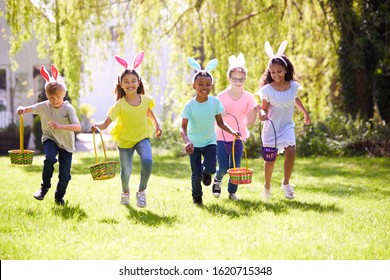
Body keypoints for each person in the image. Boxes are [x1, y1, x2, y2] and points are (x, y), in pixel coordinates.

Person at [91, 51, 162, 208]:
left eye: (133, 81)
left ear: (138, 82)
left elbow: (149, 112)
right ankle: (125, 192)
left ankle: (141, 191)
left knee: (148, 161)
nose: (130, 84)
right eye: (126, 81)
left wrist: (157, 125)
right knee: (126, 172)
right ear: (121, 85)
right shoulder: (119, 105)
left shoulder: (146, 100)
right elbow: (105, 123)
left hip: (142, 137)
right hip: (125, 141)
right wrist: (97, 126)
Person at [17, 65, 81, 206]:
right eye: (51, 97)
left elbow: (78, 126)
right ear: (47, 95)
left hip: (66, 144)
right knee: (49, 159)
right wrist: (22, 109)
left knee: (65, 176)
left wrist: (60, 126)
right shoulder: (44, 106)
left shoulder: (68, 108)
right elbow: (31, 108)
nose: (55, 100)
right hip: (50, 138)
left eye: (58, 97)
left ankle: (59, 197)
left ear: (63, 94)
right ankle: (44, 187)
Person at [180, 57, 241, 205]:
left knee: (211, 168)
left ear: (212, 86)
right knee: (195, 174)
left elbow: (220, 122)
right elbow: (182, 128)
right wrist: (187, 141)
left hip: (210, 142)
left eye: (208, 84)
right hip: (194, 144)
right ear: (194, 86)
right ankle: (197, 198)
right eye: (200, 84)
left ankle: (207, 173)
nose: (204, 87)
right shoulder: (189, 106)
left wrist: (232, 131)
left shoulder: (215, 102)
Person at [257, 40, 311, 199]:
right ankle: (267, 186)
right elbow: (264, 108)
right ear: (269, 72)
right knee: (270, 160)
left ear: (285, 70)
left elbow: (295, 99)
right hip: (271, 128)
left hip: (287, 126)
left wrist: (305, 113)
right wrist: (261, 114)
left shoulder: (293, 86)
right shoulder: (267, 90)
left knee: (291, 151)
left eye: (279, 71)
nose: (276, 75)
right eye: (272, 72)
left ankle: (286, 183)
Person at [212, 53, 260, 201]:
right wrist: (220, 113)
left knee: (235, 167)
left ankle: (232, 193)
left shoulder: (248, 97)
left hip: (238, 137)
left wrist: (255, 111)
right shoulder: (221, 96)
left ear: (245, 79)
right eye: (235, 79)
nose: (238, 82)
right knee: (224, 167)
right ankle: (217, 180)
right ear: (229, 79)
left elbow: (250, 121)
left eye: (241, 79)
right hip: (222, 136)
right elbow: (215, 115)